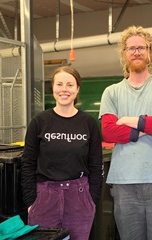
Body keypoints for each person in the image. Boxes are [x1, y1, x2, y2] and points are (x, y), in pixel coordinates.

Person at [99, 25, 152, 240]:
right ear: (124, 54)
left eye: (141, 47)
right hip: (123, 184)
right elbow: (108, 132)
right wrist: (141, 131)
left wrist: (130, 121)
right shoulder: (112, 92)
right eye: (131, 48)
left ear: (150, 52)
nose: (136, 52)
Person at [21, 66, 103, 240]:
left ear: (77, 89)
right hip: (44, 197)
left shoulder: (88, 123)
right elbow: (27, 162)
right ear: (53, 88)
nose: (64, 89)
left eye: (70, 84)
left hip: (80, 198)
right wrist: (31, 201)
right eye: (59, 84)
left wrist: (91, 200)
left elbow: (96, 165)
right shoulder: (39, 121)